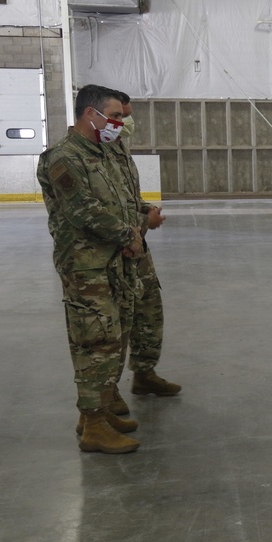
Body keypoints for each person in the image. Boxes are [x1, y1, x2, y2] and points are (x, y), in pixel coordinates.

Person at [37, 84, 144, 453]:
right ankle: (95, 426)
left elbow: (121, 202)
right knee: (94, 342)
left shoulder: (101, 152)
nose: (119, 123)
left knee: (115, 339)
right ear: (90, 114)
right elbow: (82, 210)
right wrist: (128, 235)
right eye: (114, 115)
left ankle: (94, 414)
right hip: (86, 266)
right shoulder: (63, 157)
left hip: (113, 261)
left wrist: (133, 230)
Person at [111, 92, 182, 398]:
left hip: (136, 248)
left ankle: (145, 373)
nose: (126, 122)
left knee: (148, 311)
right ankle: (103, 399)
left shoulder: (117, 151)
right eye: (120, 115)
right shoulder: (86, 156)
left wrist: (145, 210)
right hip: (111, 253)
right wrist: (141, 225)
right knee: (113, 325)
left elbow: (125, 200)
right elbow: (92, 212)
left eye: (127, 115)